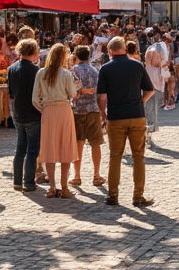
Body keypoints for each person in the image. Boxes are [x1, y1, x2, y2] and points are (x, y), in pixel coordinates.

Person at [96, 36, 155, 207]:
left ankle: (113, 195)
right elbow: (149, 90)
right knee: (138, 156)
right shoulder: (137, 65)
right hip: (136, 115)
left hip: (116, 116)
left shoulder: (106, 69)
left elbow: (102, 97)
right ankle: (138, 196)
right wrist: (140, 102)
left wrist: (102, 114)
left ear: (110, 51)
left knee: (115, 156)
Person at [33, 43, 79, 198]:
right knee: (66, 147)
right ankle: (64, 187)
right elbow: (72, 93)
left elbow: (34, 99)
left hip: (49, 110)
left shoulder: (41, 73)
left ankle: (52, 187)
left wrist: (44, 109)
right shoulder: (65, 74)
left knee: (49, 148)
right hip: (63, 110)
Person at [7, 38, 42, 192]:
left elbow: (11, 93)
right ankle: (28, 182)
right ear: (33, 52)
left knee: (20, 148)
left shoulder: (12, 69)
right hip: (33, 113)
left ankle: (17, 181)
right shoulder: (36, 71)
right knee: (32, 150)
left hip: (18, 111)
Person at [70, 45, 105, 187]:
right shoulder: (96, 71)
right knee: (96, 143)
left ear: (76, 56)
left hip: (78, 110)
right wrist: (103, 112)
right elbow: (100, 92)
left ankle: (77, 176)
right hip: (93, 109)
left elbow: (73, 91)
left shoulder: (73, 71)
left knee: (78, 142)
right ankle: (96, 175)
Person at [143, 45, 165, 145]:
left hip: (158, 89)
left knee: (153, 111)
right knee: (149, 111)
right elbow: (148, 58)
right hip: (150, 89)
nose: (158, 58)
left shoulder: (160, 69)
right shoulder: (148, 67)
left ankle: (149, 133)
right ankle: (147, 133)